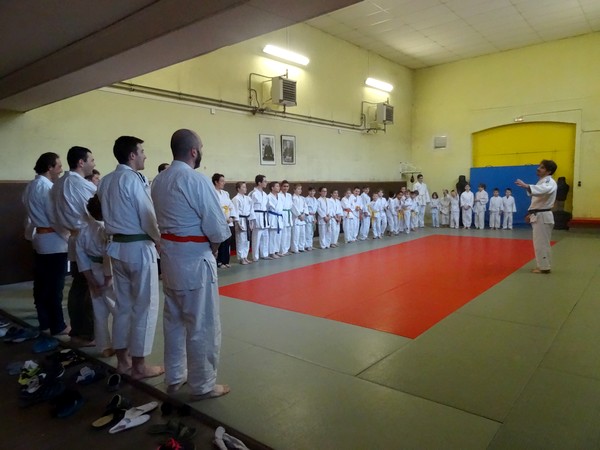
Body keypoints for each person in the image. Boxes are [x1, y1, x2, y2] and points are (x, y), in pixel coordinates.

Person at [151, 128, 231, 400]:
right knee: (202, 325)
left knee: (173, 321)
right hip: (195, 260)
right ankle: (203, 385)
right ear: (194, 151)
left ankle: (175, 376)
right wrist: (213, 247)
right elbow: (217, 230)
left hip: (170, 258)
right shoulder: (196, 180)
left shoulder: (158, 180)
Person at [97, 135, 163, 379]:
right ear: (132, 155)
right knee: (145, 306)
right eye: (142, 151)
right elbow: (147, 214)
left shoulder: (105, 180)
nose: (145, 155)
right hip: (138, 248)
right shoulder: (133, 179)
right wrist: (158, 239)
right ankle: (139, 365)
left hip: (117, 249)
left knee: (123, 306)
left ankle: (123, 361)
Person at [51, 146, 97, 347]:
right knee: (89, 287)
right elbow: (96, 211)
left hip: (73, 235)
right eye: (91, 160)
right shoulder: (80, 185)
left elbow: (53, 216)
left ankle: (78, 330)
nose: (93, 164)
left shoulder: (58, 184)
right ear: (81, 162)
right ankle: (87, 333)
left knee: (78, 285)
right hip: (86, 237)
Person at [23, 152, 70, 336]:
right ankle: (58, 325)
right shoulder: (47, 188)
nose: (60, 170)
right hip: (53, 241)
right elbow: (54, 218)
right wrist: (68, 236)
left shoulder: (31, 186)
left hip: (40, 239)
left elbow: (28, 218)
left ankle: (45, 322)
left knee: (42, 285)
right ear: (49, 167)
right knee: (54, 286)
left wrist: (30, 235)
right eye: (58, 166)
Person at [75, 195, 116, 357]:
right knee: (119, 310)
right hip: (108, 274)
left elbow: (81, 258)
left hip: (92, 271)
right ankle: (122, 346)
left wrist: (90, 280)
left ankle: (104, 347)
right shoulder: (107, 230)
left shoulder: (83, 230)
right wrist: (108, 278)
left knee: (99, 311)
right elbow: (108, 256)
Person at [516, 160, 558, 274]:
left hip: (543, 216)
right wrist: (530, 213)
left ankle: (544, 267)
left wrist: (526, 186)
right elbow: (538, 200)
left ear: (549, 171)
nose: (538, 168)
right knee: (541, 242)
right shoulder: (541, 181)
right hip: (539, 214)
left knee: (541, 243)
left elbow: (544, 190)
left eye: (542, 167)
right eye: (539, 166)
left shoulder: (549, 181)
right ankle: (544, 265)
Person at [212, 173, 236, 268]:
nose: (223, 183)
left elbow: (231, 206)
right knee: (220, 241)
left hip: (228, 220)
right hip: (219, 220)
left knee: (227, 241)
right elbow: (214, 208)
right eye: (222, 181)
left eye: (224, 181)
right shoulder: (212, 193)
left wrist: (231, 217)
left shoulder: (226, 193)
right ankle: (219, 262)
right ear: (216, 182)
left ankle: (225, 261)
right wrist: (223, 218)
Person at [232, 182, 253, 265]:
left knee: (247, 240)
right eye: (243, 187)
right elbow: (235, 211)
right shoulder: (235, 199)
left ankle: (245, 256)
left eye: (245, 187)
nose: (245, 188)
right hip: (240, 219)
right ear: (238, 189)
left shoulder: (248, 199)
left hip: (247, 219)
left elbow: (251, 210)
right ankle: (241, 258)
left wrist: (251, 221)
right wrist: (237, 223)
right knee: (240, 239)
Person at [250, 175, 270, 261]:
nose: (266, 183)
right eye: (265, 181)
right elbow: (250, 208)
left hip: (264, 217)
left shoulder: (265, 194)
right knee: (256, 237)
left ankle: (264, 254)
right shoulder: (253, 194)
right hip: (257, 217)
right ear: (259, 183)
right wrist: (252, 220)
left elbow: (266, 207)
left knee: (265, 236)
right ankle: (255, 256)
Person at [267, 181, 283, 258]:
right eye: (277, 186)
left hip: (279, 217)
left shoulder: (280, 196)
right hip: (273, 217)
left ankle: (276, 250)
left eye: (279, 186)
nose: (278, 187)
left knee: (278, 236)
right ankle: (271, 252)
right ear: (272, 188)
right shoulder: (268, 197)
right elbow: (270, 207)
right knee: (272, 236)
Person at [290, 184, 307, 253]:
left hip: (302, 217)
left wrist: (304, 214)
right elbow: (293, 207)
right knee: (295, 234)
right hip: (296, 217)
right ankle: (295, 249)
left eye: (300, 189)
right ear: (294, 190)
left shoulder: (302, 198)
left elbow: (305, 207)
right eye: (298, 189)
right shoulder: (292, 198)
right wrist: (299, 215)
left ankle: (301, 247)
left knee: (302, 234)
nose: (300, 190)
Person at [279, 180, 293, 256]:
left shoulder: (289, 195)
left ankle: (286, 249)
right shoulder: (279, 195)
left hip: (288, 214)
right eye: (284, 186)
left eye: (287, 186)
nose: (286, 188)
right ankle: (282, 250)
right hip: (283, 214)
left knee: (288, 234)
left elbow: (291, 206)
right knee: (283, 234)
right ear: (281, 187)